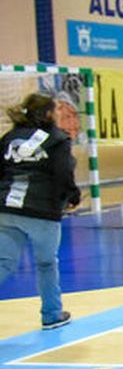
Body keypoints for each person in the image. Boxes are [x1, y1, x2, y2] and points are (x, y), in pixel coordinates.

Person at [0, 93, 79, 330]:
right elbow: (63, 172)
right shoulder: (57, 139)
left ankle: (53, 314)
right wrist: (72, 196)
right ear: (47, 113)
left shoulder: (9, 138)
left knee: (4, 263)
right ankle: (52, 314)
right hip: (41, 209)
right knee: (46, 263)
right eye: (56, 110)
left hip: (6, 208)